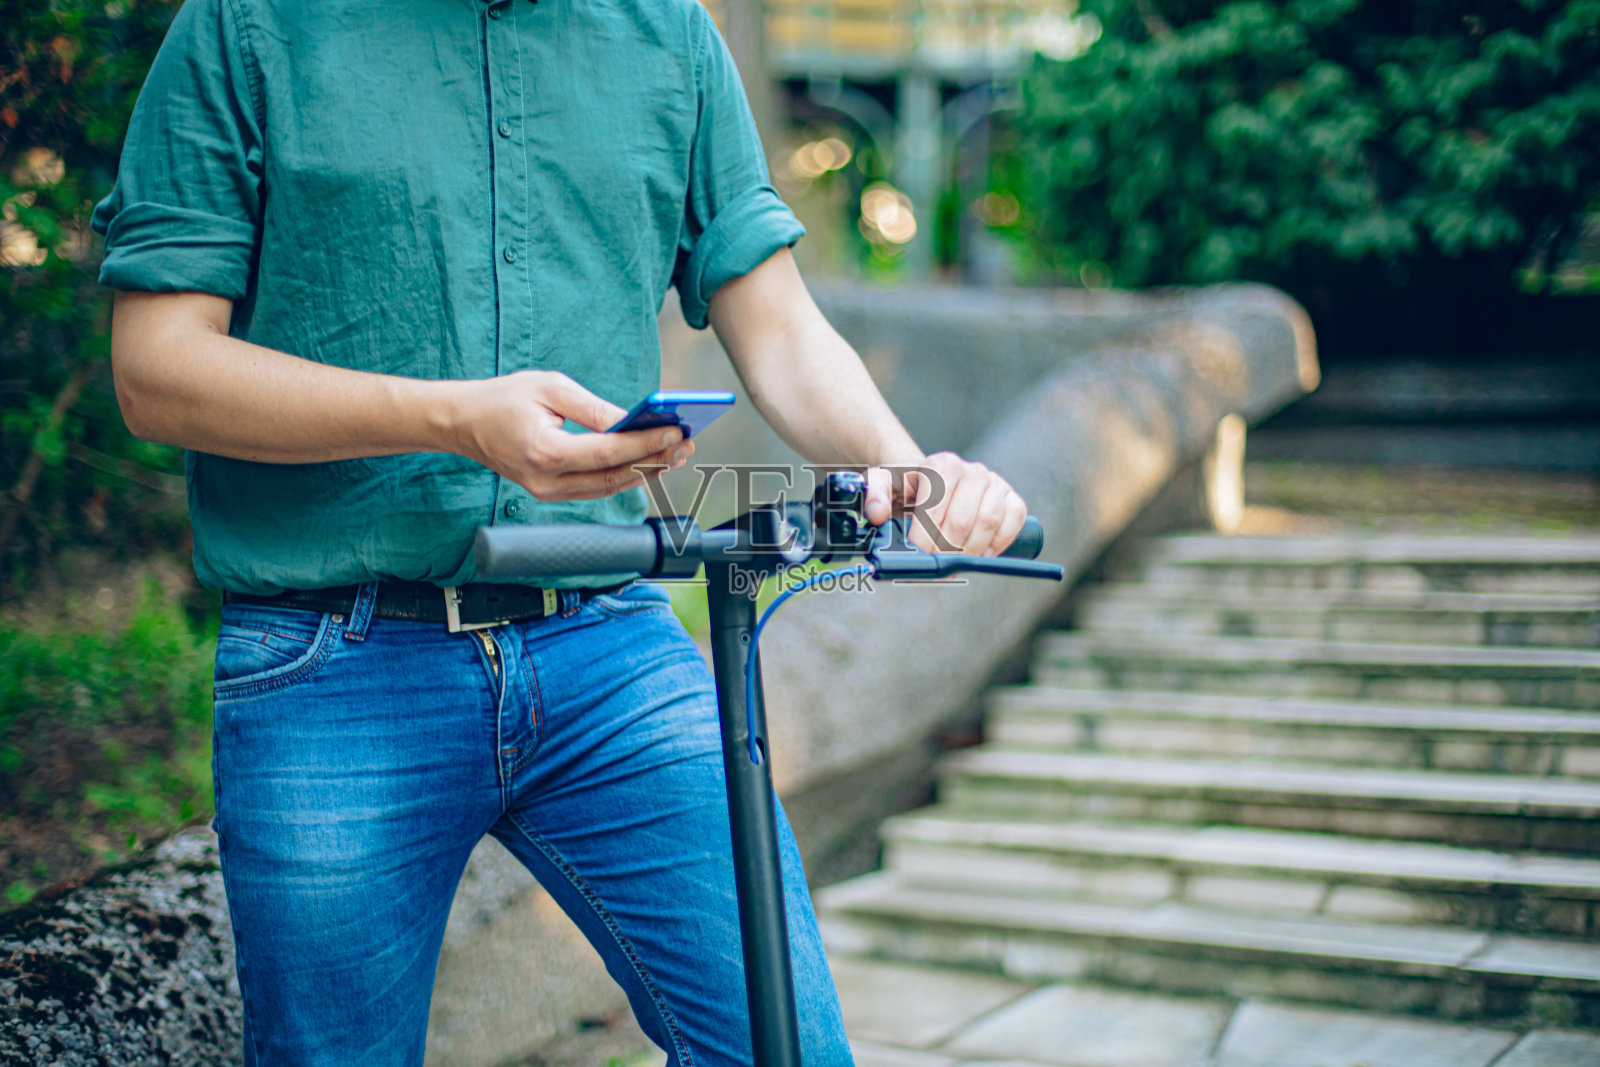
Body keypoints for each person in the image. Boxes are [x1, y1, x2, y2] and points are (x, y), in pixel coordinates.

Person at [92, 0, 1029, 1063]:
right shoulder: (245, 25)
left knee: (787, 1046)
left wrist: (908, 472)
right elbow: (156, 369)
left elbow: (776, 322)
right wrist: (455, 416)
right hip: (335, 661)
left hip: (608, 641)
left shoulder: (669, 34)